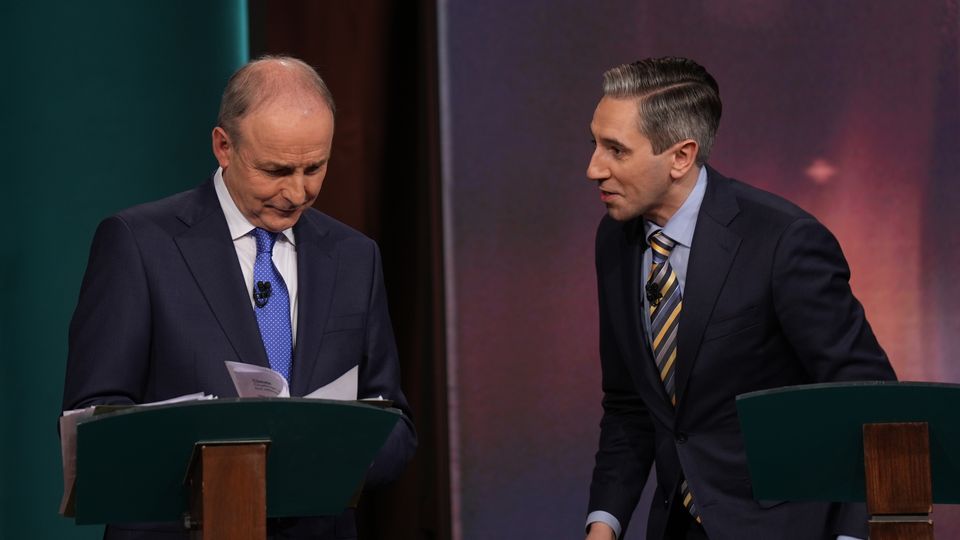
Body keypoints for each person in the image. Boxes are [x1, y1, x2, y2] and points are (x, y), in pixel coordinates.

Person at [62, 55, 416, 540]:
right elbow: (96, 422)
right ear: (223, 146)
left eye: (315, 167)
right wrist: (222, 461)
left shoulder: (355, 256)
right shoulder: (139, 244)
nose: (297, 192)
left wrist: (328, 454)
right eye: (275, 170)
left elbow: (394, 422)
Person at [583, 57, 896, 540]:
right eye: (594, 143)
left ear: (680, 157)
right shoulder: (615, 240)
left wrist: (852, 536)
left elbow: (868, 400)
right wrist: (603, 524)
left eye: (615, 150)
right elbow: (629, 404)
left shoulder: (782, 241)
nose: (593, 168)